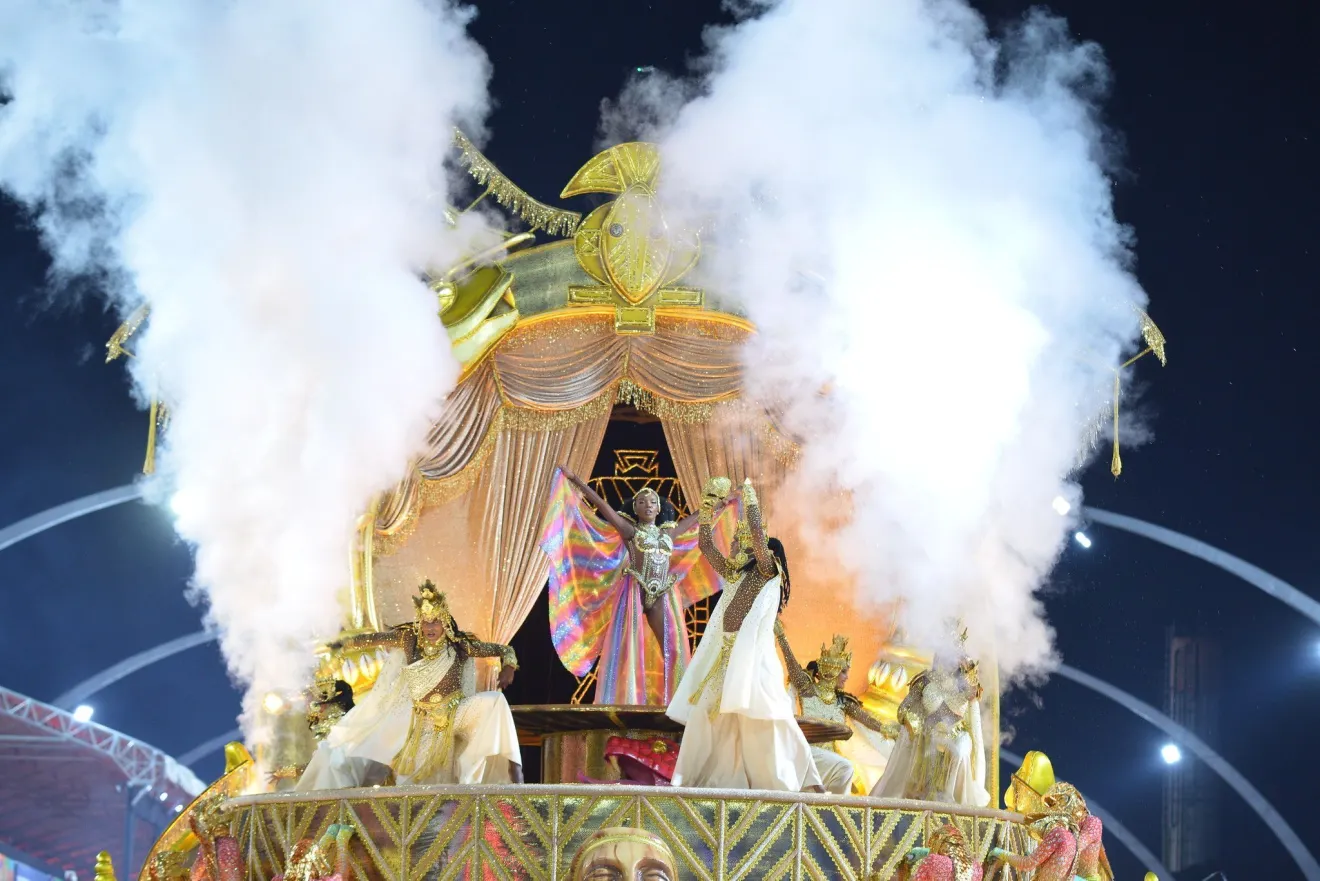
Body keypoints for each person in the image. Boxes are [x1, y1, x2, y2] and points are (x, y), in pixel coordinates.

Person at [667, 477, 823, 792]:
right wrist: (708, 507)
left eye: (742, 542)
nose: (736, 546)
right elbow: (706, 546)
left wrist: (750, 495)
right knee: (709, 722)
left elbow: (756, 534)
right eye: (737, 542)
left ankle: (799, 782)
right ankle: (700, 784)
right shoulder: (734, 574)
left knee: (766, 721)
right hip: (723, 658)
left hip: (752, 659)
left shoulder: (767, 571)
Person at [296, 580, 523, 789]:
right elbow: (372, 639)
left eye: (435, 621)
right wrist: (342, 644)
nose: (430, 627)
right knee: (416, 785)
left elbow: (504, 649)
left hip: (456, 713)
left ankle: (513, 770)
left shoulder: (460, 645)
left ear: (444, 621)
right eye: (426, 621)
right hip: (422, 725)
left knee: (493, 702)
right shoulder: (409, 641)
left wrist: (509, 667)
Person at [540, 467, 739, 705]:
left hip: (663, 594)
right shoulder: (629, 531)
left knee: (674, 649)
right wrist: (575, 480)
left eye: (652, 502)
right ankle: (624, 703)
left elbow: (698, 516)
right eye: (642, 502)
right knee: (627, 653)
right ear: (635, 509)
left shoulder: (670, 534)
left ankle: (678, 705)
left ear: (658, 508)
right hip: (634, 592)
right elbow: (602, 506)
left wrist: (722, 503)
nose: (647, 505)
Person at [869, 629, 990, 806]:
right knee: (928, 742)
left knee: (959, 749)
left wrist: (969, 667)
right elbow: (903, 710)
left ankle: (950, 801)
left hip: (957, 735)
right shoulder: (925, 680)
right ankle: (923, 797)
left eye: (955, 655)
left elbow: (974, 698)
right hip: (927, 735)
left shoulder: (966, 686)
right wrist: (914, 724)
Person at [776, 630, 900, 794]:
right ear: (831, 670)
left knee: (846, 771)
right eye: (844, 671)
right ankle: (832, 809)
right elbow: (792, 666)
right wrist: (781, 637)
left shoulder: (843, 702)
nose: (847, 677)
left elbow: (866, 719)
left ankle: (832, 811)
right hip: (807, 753)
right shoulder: (808, 690)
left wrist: (886, 729)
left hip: (828, 760)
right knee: (845, 767)